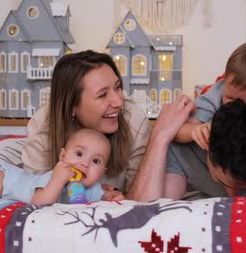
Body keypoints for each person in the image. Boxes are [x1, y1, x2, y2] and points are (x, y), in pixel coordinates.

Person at [21, 50, 151, 194]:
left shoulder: (133, 119)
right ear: (71, 106)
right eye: (102, 95)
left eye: (118, 87)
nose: (119, 102)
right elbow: (36, 196)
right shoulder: (42, 128)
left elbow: (140, 197)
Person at [0, 128, 120, 204]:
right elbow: (39, 202)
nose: (85, 163)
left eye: (96, 161)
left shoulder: (94, 189)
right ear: (62, 157)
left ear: (102, 172)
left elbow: (107, 201)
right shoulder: (52, 177)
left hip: (11, 181)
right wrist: (58, 180)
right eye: (79, 154)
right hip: (7, 181)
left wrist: (112, 198)